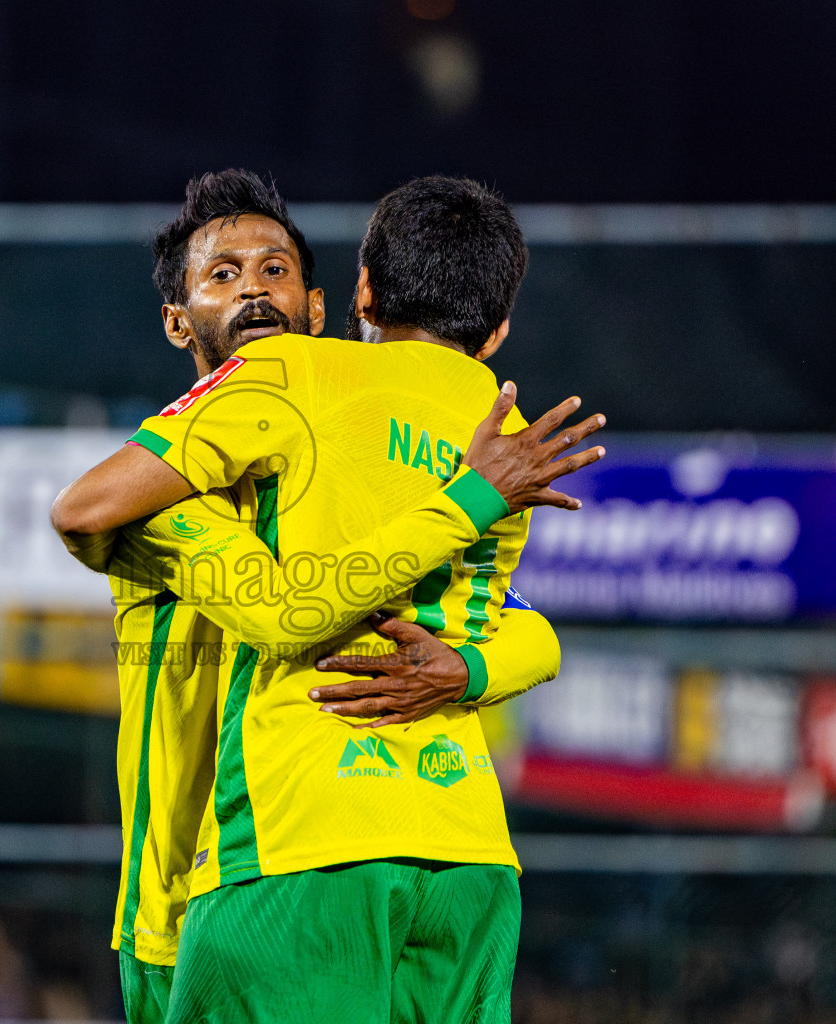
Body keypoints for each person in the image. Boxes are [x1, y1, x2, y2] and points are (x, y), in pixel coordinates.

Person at [54, 173, 604, 1023]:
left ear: (332, 307)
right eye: (222, 275)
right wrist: (473, 504)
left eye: (273, 270)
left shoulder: (331, 420)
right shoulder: (160, 502)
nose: (251, 290)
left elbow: (523, 625)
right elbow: (289, 608)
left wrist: (463, 666)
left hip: (279, 857)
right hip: (179, 893)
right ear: (176, 320)